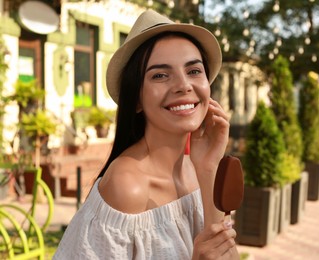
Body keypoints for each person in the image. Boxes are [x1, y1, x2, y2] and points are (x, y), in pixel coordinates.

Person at [54, 9, 239, 259]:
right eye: (160, 75)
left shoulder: (197, 169)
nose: (183, 85)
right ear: (137, 100)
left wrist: (208, 168)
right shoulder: (126, 187)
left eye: (194, 71)